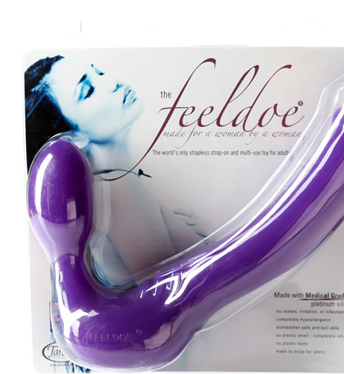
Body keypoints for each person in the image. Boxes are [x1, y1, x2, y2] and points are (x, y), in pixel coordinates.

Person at [25, 55, 209, 287]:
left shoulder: (116, 187)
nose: (113, 82)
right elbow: (167, 292)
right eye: (88, 91)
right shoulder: (119, 189)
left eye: (100, 72)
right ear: (72, 138)